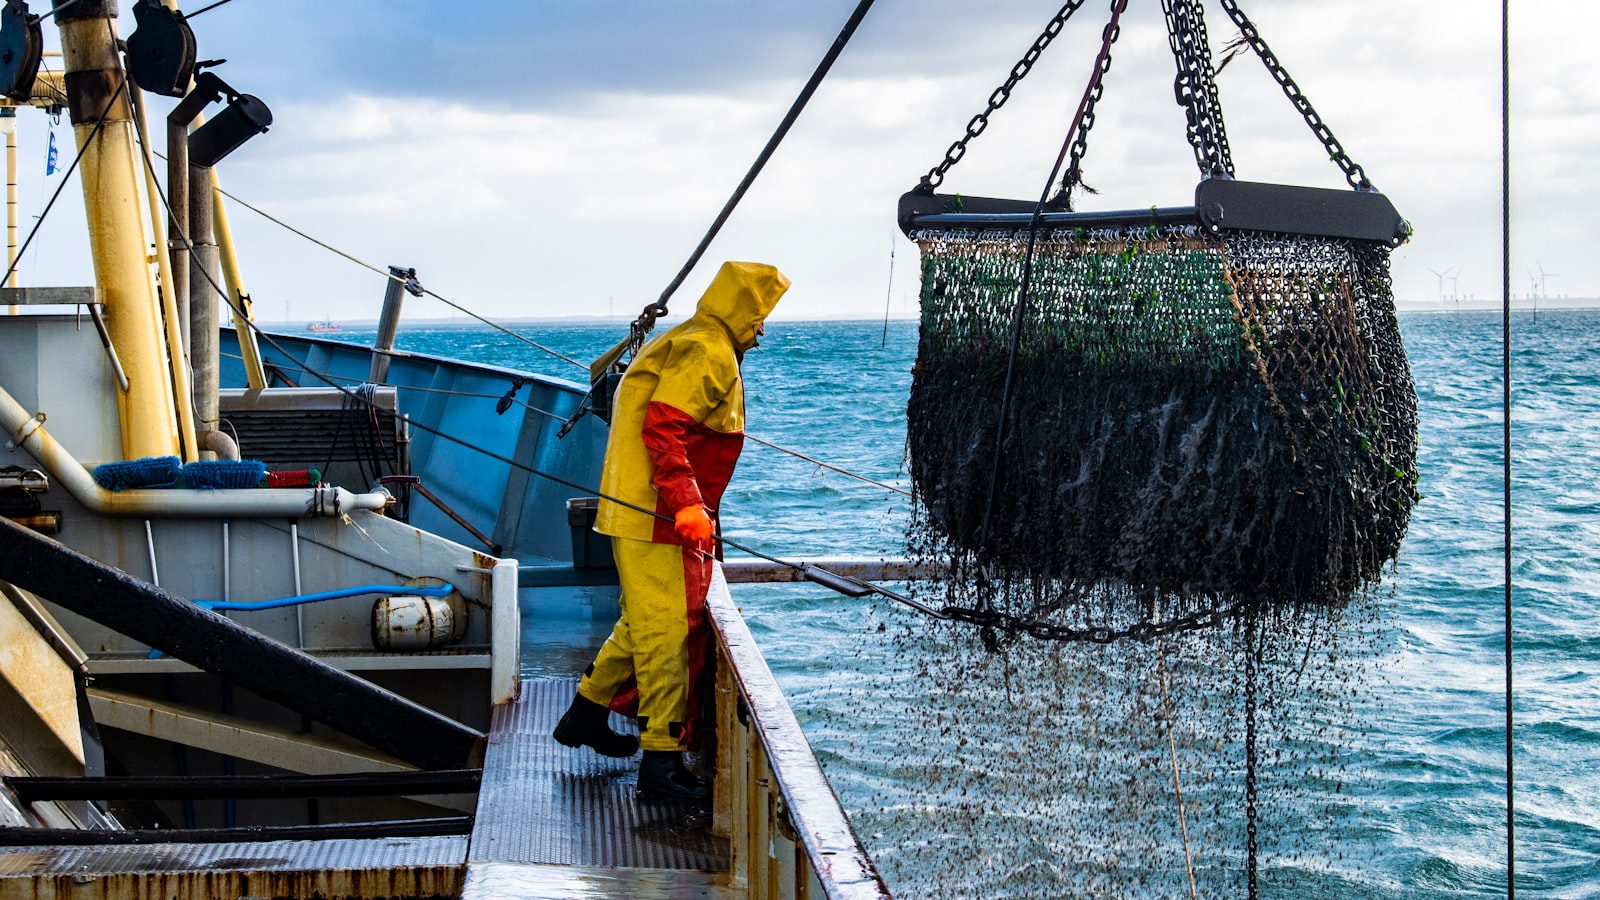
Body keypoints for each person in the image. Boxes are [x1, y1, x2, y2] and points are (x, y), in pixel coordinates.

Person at [553, 260, 790, 800]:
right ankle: (661, 762)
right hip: (656, 514)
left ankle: (586, 713)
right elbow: (663, 426)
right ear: (742, 310)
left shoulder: (694, 337)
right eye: (759, 317)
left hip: (637, 508)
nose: (761, 330)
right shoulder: (709, 349)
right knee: (669, 631)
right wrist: (686, 504)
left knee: (644, 620)